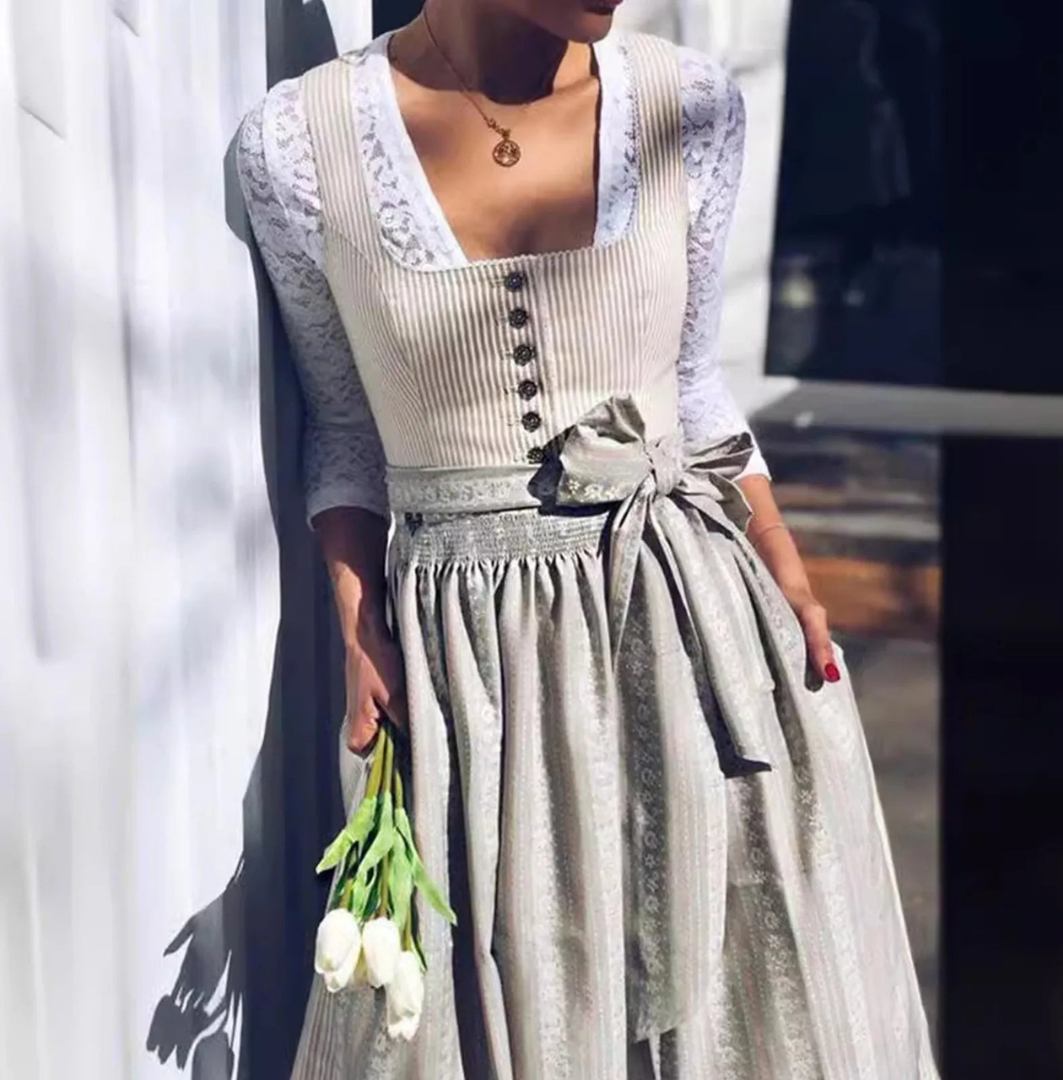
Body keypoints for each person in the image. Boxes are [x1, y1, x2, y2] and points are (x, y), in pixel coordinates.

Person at [237, 1, 939, 1075]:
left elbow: (693, 388)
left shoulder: (688, 106)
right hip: (470, 671)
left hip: (693, 629)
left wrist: (782, 562)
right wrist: (356, 618)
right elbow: (343, 427)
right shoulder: (299, 146)